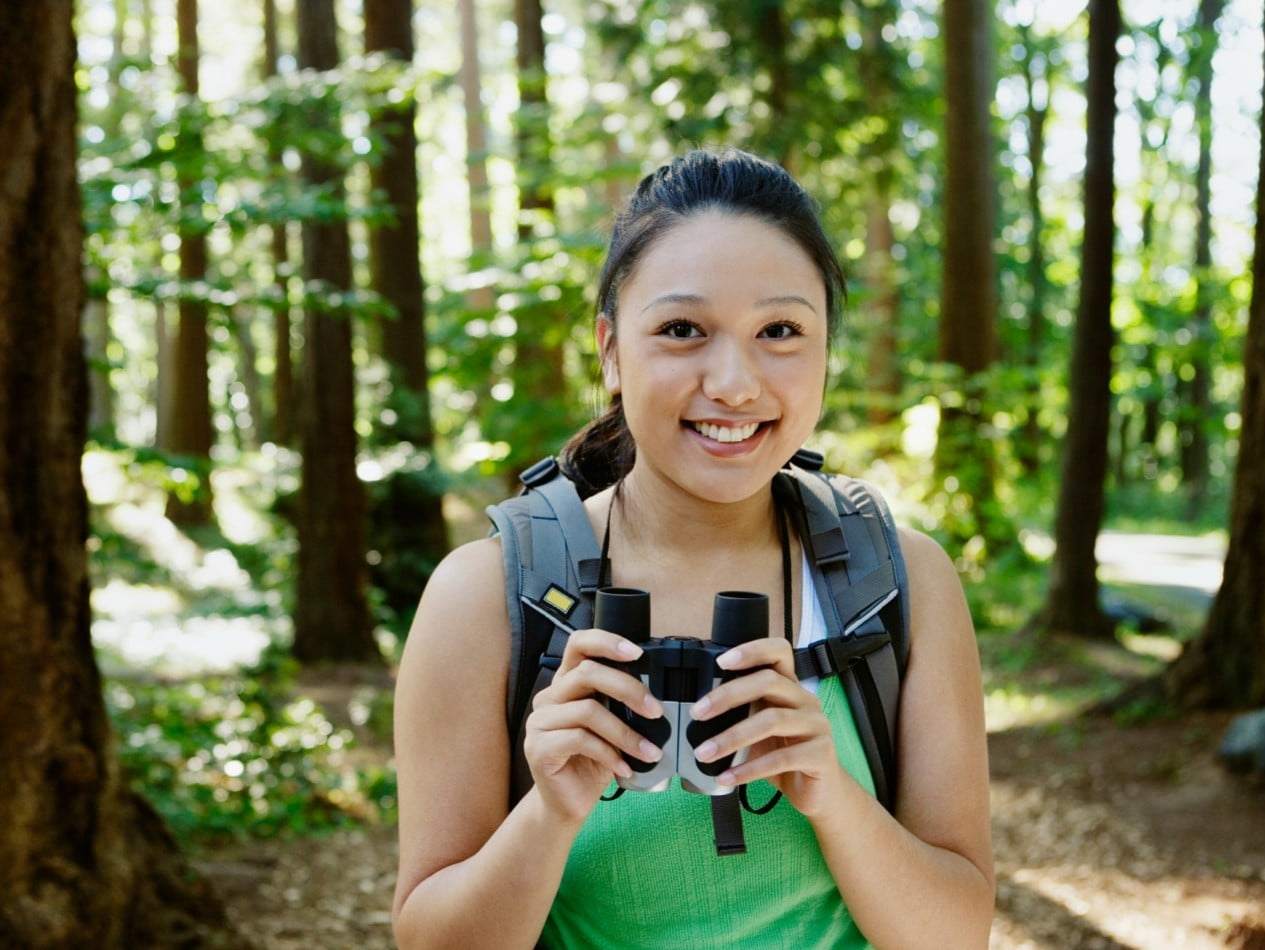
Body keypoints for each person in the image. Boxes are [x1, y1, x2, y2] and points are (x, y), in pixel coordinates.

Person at [390, 148, 994, 948]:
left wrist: (832, 794)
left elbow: (955, 936)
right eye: (682, 329)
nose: (735, 382)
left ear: (825, 350)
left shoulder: (899, 580)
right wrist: (550, 811)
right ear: (610, 348)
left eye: (780, 330)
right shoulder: (487, 595)